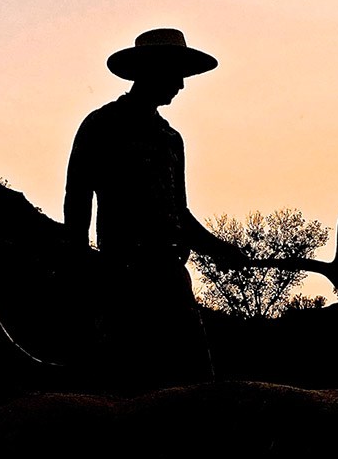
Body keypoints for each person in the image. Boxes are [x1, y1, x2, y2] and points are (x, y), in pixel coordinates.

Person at [64, 27, 245, 387]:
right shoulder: (102, 125)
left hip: (171, 279)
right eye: (176, 74)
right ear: (151, 71)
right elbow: (78, 201)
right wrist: (80, 268)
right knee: (129, 383)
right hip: (122, 277)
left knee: (194, 386)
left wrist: (221, 250)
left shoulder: (170, 140)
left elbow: (180, 213)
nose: (181, 85)